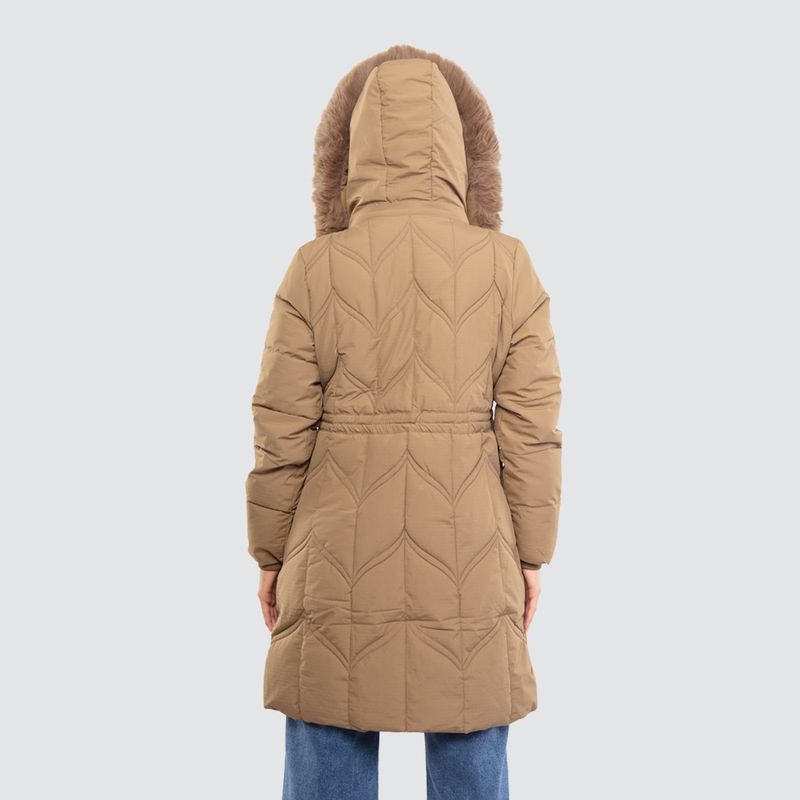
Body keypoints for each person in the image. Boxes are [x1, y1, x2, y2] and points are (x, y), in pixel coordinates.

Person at [245, 44, 563, 800]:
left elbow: (280, 427)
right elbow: (531, 428)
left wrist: (269, 552)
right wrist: (532, 554)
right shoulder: (507, 265)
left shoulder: (315, 267)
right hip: (471, 549)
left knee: (328, 724)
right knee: (470, 727)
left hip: (332, 555)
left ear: (348, 155)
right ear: (463, 152)